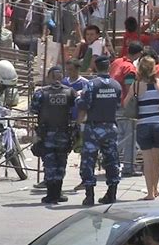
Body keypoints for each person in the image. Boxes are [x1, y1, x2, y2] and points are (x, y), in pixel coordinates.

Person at [77, 56, 122, 206]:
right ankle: (112, 193)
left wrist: (78, 124)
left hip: (93, 127)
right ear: (108, 67)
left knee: (89, 160)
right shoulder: (116, 85)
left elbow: (84, 105)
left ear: (96, 68)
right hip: (111, 127)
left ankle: (89, 195)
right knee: (112, 160)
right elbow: (117, 106)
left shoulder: (91, 85)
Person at [30, 66, 77, 204]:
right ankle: (58, 192)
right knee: (61, 163)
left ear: (49, 77)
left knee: (49, 163)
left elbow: (33, 109)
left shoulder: (41, 93)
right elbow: (78, 107)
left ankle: (51, 194)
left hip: (47, 134)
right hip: (64, 133)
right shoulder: (70, 92)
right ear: (61, 77)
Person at [124, 56, 159, 200]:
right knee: (157, 160)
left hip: (143, 124)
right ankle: (155, 188)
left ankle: (150, 193)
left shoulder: (136, 86)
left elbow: (126, 103)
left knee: (147, 161)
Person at [110, 41, 143, 177]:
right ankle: (128, 166)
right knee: (130, 137)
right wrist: (134, 101)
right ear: (139, 54)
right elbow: (129, 87)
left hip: (112, 103)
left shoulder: (116, 62)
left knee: (119, 135)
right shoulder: (130, 69)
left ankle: (111, 162)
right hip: (124, 105)